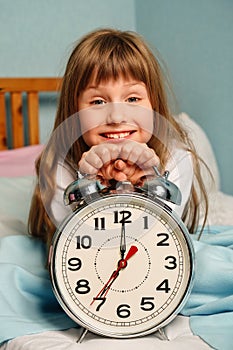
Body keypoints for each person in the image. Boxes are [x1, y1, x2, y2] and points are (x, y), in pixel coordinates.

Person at [28, 28, 209, 247]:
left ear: (154, 105)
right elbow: (83, 245)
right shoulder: (58, 166)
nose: (116, 117)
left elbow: (154, 239)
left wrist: (141, 182)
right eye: (97, 102)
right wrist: (93, 182)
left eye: (132, 99)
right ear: (74, 112)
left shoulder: (177, 158)